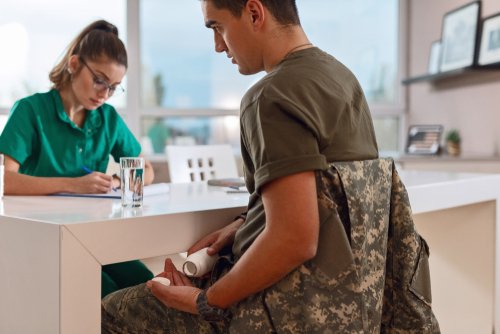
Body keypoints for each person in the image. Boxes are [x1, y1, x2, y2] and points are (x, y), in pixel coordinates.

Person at [101, 1, 440, 333]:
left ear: (253, 12)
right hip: (346, 308)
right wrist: (246, 221)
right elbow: (331, 201)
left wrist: (206, 300)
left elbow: (294, 238)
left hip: (279, 311)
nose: (218, 46)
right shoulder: (342, 79)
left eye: (217, 27)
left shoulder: (270, 96)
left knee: (108, 313)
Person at [0, 20, 155, 297]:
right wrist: (74, 184)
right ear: (74, 64)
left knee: (148, 285)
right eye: (99, 80)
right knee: (104, 293)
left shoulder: (107, 118)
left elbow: (147, 169)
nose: (105, 94)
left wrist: (118, 182)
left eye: (114, 87)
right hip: (38, 237)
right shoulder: (30, 110)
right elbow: (4, 181)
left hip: (92, 235)